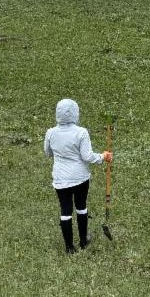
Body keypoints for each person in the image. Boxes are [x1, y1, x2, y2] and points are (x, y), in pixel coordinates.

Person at [44, 98, 113, 254]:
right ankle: (83, 240)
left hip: (60, 179)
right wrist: (103, 156)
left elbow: (48, 153)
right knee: (81, 206)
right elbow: (87, 156)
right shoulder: (81, 132)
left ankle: (69, 248)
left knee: (65, 210)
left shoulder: (51, 133)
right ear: (75, 112)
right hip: (80, 178)